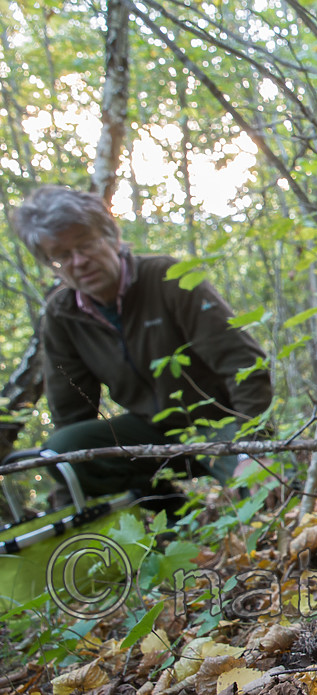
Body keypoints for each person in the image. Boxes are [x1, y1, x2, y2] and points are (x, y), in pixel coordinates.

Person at [10, 185, 273, 513]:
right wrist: (69, 499)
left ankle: (255, 476)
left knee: (267, 497)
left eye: (86, 244)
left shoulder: (168, 277)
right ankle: (170, 507)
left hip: (221, 424)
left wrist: (253, 448)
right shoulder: (62, 316)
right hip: (152, 435)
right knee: (62, 450)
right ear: (50, 264)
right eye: (62, 255)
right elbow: (71, 417)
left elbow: (243, 363)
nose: (79, 261)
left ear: (111, 235)